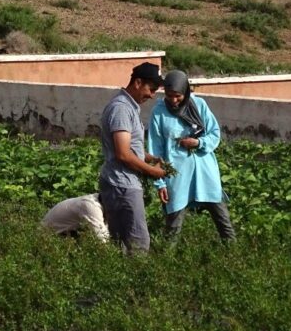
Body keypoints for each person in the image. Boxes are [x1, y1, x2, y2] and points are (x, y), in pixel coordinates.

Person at [148, 70, 235, 241]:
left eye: (178, 96)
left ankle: (234, 255)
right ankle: (166, 263)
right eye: (169, 95)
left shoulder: (199, 105)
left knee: (223, 220)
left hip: (205, 172)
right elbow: (155, 149)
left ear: (186, 91)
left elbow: (214, 133)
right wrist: (160, 183)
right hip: (177, 175)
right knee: (173, 223)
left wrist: (198, 143)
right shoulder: (158, 112)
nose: (173, 100)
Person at [98, 61, 167, 254]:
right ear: (137, 83)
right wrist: (152, 171)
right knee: (138, 243)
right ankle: (135, 281)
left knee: (123, 242)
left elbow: (130, 148)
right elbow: (122, 153)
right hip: (122, 184)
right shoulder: (121, 109)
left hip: (124, 182)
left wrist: (149, 158)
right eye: (151, 89)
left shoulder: (130, 107)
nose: (152, 95)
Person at [41, 193, 109, 242]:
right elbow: (102, 240)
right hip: (49, 238)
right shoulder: (90, 206)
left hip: (66, 234)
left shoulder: (101, 201)